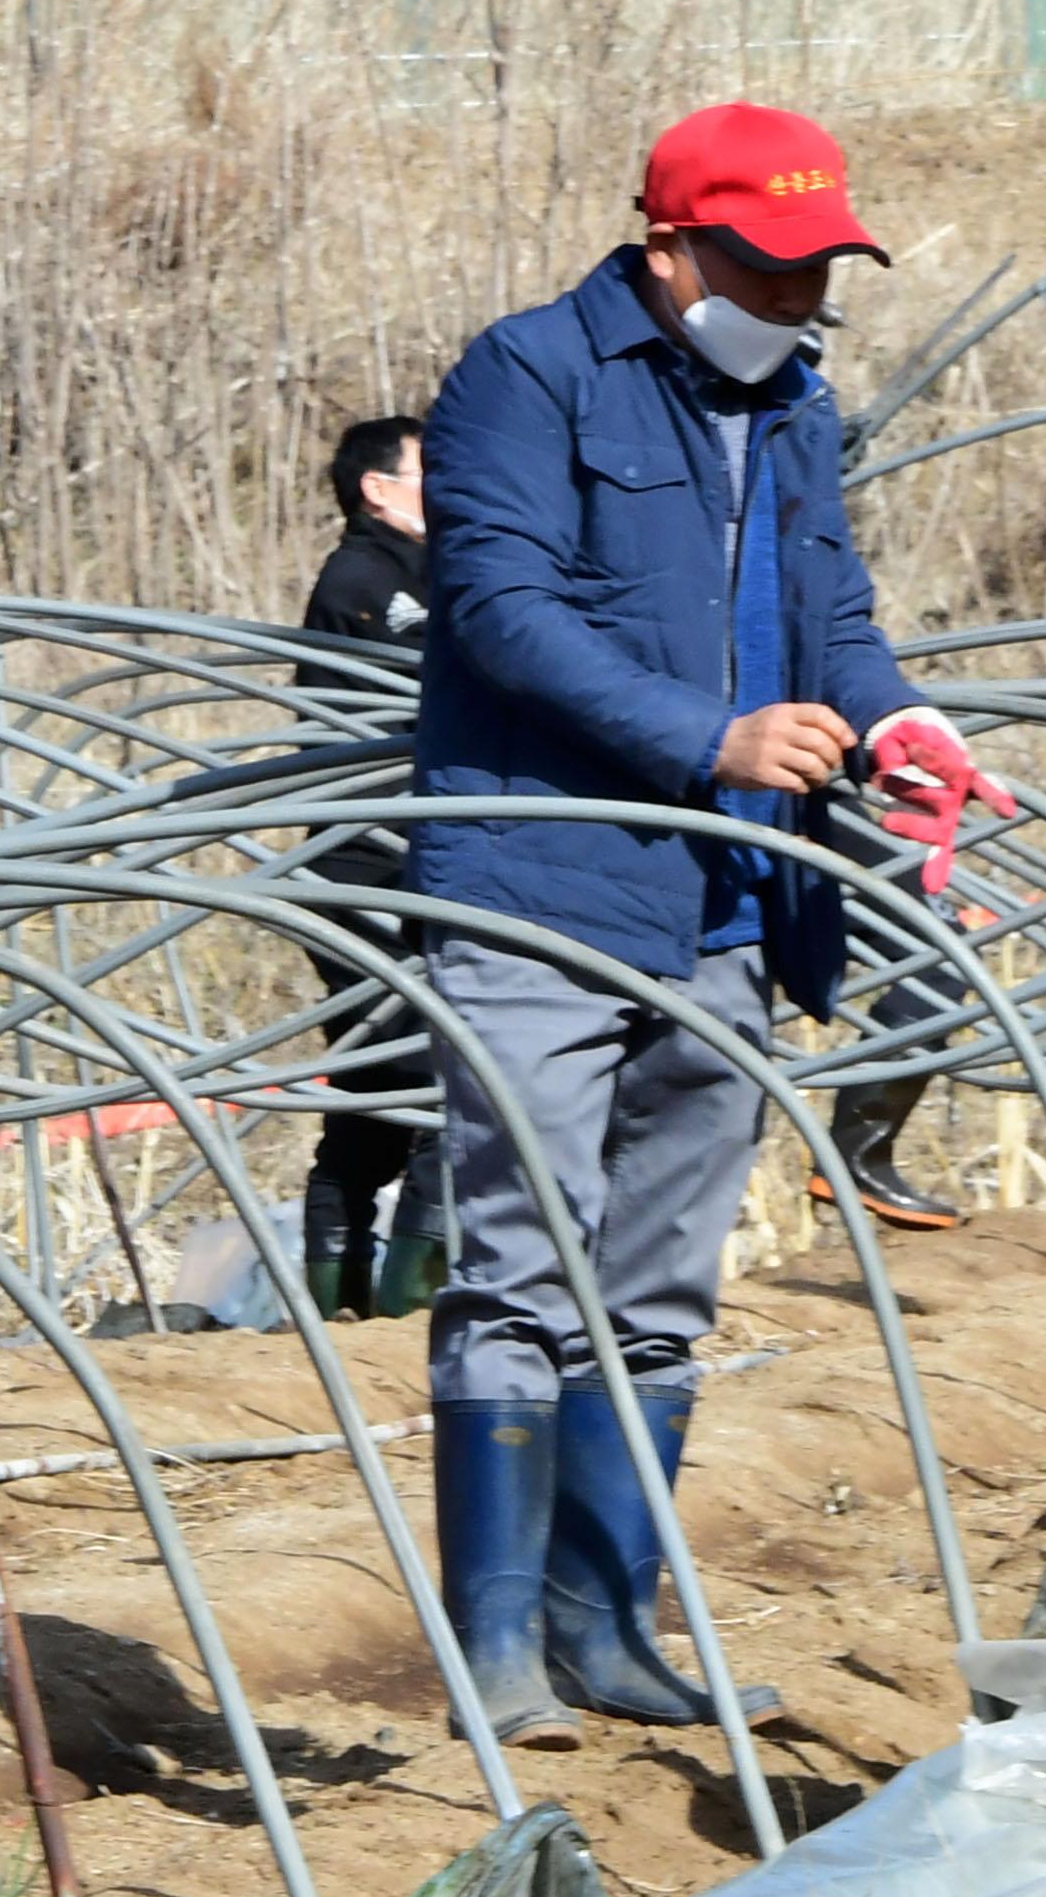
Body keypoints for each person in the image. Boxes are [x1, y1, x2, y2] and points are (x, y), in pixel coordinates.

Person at [406, 103, 1010, 1742]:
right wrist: (707, 738)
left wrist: (892, 723)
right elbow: (499, 608)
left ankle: (610, 1630)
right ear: (667, 246)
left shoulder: (797, 406)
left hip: (734, 904)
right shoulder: (527, 376)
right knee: (522, 1265)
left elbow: (832, 618)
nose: (797, 296)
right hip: (544, 887)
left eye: (819, 268)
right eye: (763, 263)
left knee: (660, 1282)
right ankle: (498, 1651)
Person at [290, 415, 434, 1319]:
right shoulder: (367, 579)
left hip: (405, 859)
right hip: (363, 870)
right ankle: (409, 1308)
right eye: (431, 470)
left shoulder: (428, 571)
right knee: (438, 1064)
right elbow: (433, 667)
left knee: (377, 1089)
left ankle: (344, 1309)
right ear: (378, 489)